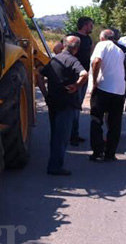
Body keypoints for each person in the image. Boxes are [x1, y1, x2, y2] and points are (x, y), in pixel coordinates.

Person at [37, 35, 88, 175]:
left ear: (64, 45)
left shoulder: (55, 59)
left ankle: (54, 163)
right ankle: (55, 166)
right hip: (66, 103)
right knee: (62, 136)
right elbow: (84, 74)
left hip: (52, 100)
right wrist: (77, 86)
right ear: (76, 49)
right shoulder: (73, 60)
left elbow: (39, 75)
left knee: (55, 134)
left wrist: (45, 93)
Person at [52, 17, 94, 146]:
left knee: (77, 106)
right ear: (85, 25)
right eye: (91, 25)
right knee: (74, 106)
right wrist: (67, 63)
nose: (92, 27)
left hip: (83, 76)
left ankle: (73, 134)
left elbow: (91, 54)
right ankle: (71, 135)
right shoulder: (72, 37)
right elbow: (56, 48)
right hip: (74, 76)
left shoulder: (88, 39)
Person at [89, 29, 126, 161]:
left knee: (96, 119)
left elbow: (97, 61)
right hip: (120, 90)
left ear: (103, 38)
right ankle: (110, 153)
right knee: (115, 123)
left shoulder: (102, 45)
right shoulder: (121, 49)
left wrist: (94, 81)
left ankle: (97, 152)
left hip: (104, 87)